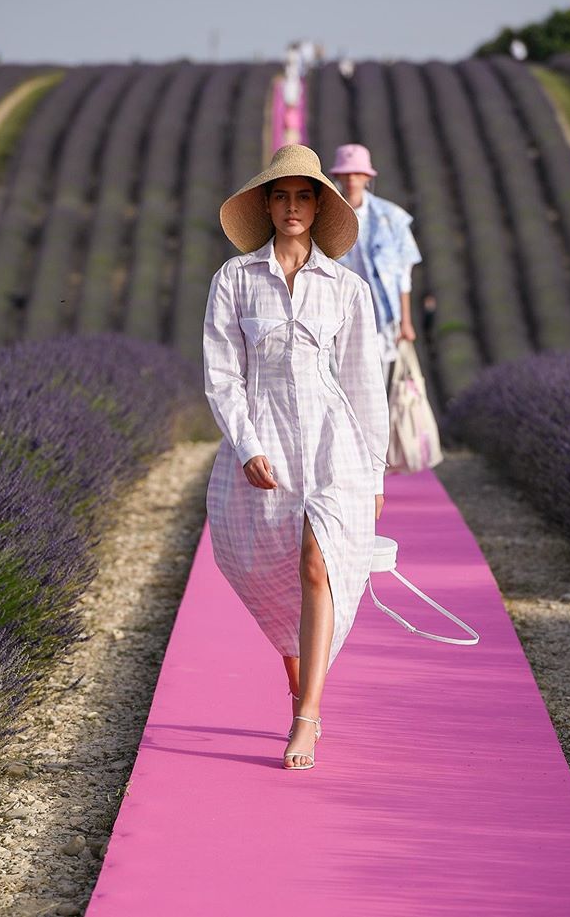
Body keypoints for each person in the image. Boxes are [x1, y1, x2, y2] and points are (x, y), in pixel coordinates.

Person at [203, 144, 389, 771]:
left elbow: (364, 382)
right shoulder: (233, 280)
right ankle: (297, 677)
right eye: (280, 196)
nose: (291, 207)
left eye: (303, 196)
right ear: (265, 205)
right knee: (269, 567)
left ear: (319, 205)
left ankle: (306, 716)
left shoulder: (348, 288)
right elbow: (222, 376)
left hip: (335, 444)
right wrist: (247, 444)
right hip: (266, 441)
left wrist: (375, 472)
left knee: (317, 565)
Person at [329, 144, 422, 388]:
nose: (352, 179)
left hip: (379, 315)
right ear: (338, 176)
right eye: (346, 174)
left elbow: (403, 274)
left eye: (357, 173)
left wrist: (405, 321)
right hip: (336, 313)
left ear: (367, 177)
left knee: (375, 383)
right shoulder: (324, 218)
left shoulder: (391, 217)